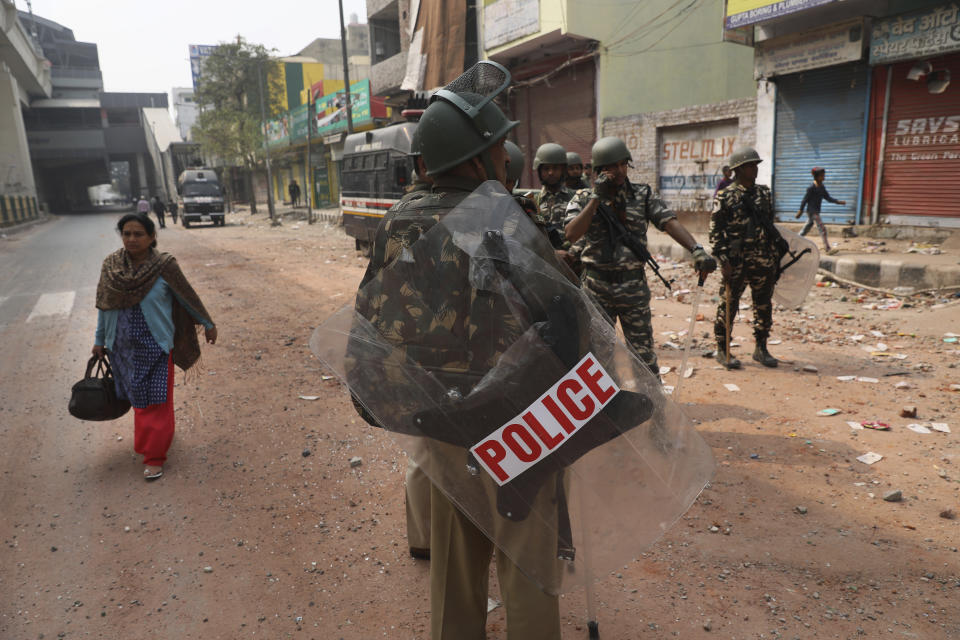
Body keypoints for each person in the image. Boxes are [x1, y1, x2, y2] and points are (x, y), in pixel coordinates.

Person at [352, 66, 564, 639]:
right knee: (528, 565)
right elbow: (566, 312)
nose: (504, 159)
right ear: (475, 157)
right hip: (522, 424)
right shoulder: (504, 215)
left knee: (455, 568)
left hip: (444, 423)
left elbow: (372, 324)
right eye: (497, 149)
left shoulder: (398, 221)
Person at [565, 136, 716, 374]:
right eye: (612, 166)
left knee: (643, 356)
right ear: (599, 170)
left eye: (624, 164)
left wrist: (696, 249)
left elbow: (668, 222)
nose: (620, 170)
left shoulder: (641, 194)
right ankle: (609, 408)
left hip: (633, 287)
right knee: (599, 356)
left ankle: (653, 407)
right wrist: (596, 198)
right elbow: (572, 233)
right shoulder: (583, 198)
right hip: (596, 288)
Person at [92, 213, 217, 481]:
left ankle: (154, 456)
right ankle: (151, 442)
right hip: (122, 348)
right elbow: (104, 306)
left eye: (138, 234)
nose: (132, 239)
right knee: (139, 399)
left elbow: (187, 295)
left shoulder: (164, 266)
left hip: (157, 345)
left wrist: (207, 323)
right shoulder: (111, 266)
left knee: (157, 402)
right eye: (127, 233)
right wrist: (99, 340)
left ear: (151, 237)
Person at [710, 147, 784, 370]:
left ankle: (761, 348)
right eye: (751, 165)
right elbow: (715, 231)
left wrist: (774, 257)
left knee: (763, 305)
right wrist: (723, 260)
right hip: (737, 261)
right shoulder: (725, 196)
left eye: (756, 165)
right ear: (739, 169)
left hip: (762, 259)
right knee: (728, 305)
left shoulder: (764, 193)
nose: (755, 169)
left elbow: (769, 224)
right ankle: (723, 350)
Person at [796, 166, 845, 254]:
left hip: (816, 211)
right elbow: (805, 200)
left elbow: (828, 198)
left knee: (806, 228)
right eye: (822, 176)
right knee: (822, 228)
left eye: (823, 175)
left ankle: (795, 240)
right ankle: (828, 249)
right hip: (812, 211)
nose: (824, 177)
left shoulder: (822, 187)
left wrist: (838, 202)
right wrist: (800, 210)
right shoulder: (811, 188)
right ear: (816, 177)